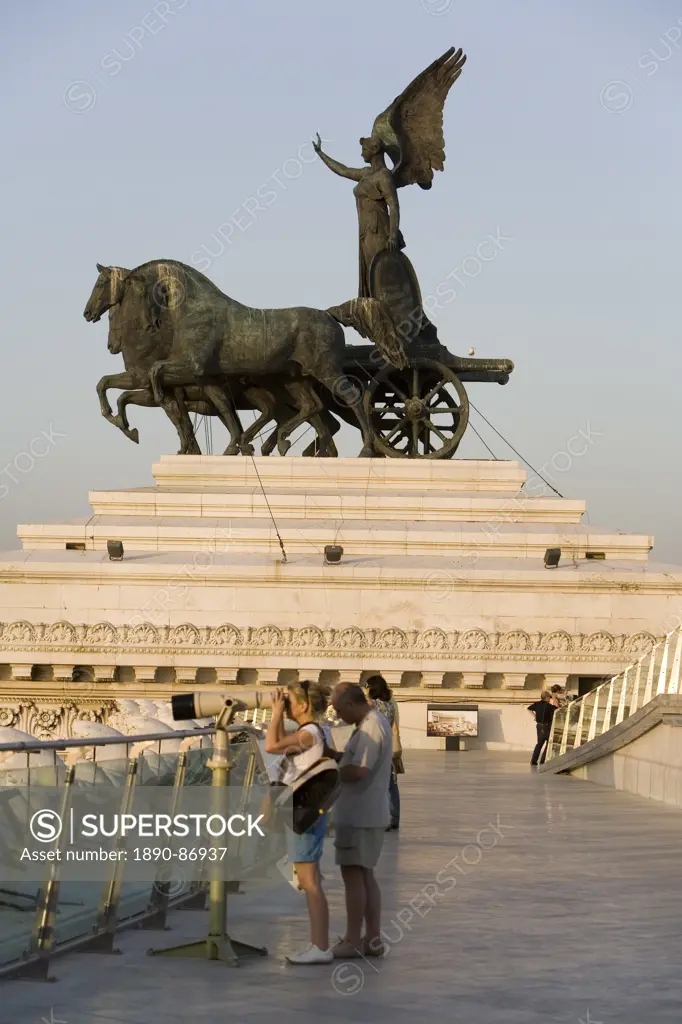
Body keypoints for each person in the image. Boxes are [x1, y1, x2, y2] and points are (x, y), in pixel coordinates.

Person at [265, 680, 333, 964]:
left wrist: (275, 712)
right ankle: (319, 944)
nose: (286, 704)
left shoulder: (308, 734)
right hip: (306, 810)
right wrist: (280, 712)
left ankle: (320, 946)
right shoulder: (315, 731)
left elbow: (270, 746)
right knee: (309, 879)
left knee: (309, 881)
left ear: (303, 705)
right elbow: (281, 746)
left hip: (303, 813)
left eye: (290, 700)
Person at [330, 681, 393, 959]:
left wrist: (329, 770)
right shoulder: (372, 722)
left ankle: (353, 939)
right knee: (365, 874)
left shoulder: (370, 726)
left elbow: (359, 770)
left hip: (359, 814)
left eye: (339, 710)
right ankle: (373, 938)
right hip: (368, 812)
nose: (338, 716)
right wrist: (335, 756)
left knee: (353, 875)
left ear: (352, 704)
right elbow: (354, 760)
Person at [366, 675, 402, 831]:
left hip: (375, 746)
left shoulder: (371, 705)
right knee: (391, 785)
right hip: (388, 746)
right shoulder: (390, 705)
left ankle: (381, 818)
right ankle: (394, 817)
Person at [527, 689, 559, 766]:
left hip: (539, 726)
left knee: (539, 744)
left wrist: (535, 716)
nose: (550, 699)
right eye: (549, 697)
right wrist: (554, 699)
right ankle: (542, 760)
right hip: (547, 726)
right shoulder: (548, 706)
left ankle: (533, 761)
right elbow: (557, 708)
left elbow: (528, 709)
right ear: (547, 697)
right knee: (548, 743)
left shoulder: (537, 704)